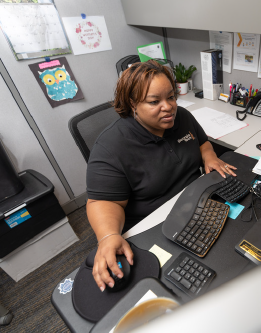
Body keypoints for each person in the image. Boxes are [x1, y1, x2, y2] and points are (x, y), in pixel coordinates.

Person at [86, 60, 236, 291]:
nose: (169, 107)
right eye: (154, 102)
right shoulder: (110, 147)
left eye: (171, 97)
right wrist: (107, 236)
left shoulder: (182, 117)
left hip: (196, 203)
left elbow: (202, 142)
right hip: (156, 223)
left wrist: (209, 157)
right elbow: (102, 201)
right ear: (132, 104)